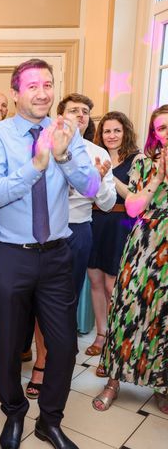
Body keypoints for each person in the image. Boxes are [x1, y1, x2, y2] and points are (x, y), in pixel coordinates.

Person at [0, 59, 99, 449]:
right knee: (10, 343)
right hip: (10, 255)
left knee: (64, 345)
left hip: (56, 257)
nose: (42, 92)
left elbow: (95, 187)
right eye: (32, 85)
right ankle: (14, 413)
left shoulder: (69, 132)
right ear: (16, 93)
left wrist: (64, 156)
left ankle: (50, 420)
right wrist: (36, 165)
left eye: (48, 84)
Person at [24, 94, 117, 401]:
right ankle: (41, 361)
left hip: (78, 230)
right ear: (59, 116)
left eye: (86, 112)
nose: (81, 115)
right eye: (74, 110)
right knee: (40, 300)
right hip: (45, 231)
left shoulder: (96, 152)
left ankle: (59, 364)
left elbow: (107, 202)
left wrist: (99, 181)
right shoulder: (42, 145)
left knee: (65, 302)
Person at [92, 105, 168, 415]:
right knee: (126, 308)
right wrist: (159, 175)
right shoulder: (144, 163)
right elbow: (134, 207)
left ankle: (161, 384)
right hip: (145, 243)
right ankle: (113, 381)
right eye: (161, 128)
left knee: (162, 315)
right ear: (154, 133)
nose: (166, 133)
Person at [87, 111, 138, 366]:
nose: (112, 135)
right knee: (95, 282)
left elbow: (134, 197)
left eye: (117, 130)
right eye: (107, 131)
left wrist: (108, 176)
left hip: (120, 224)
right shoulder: (94, 155)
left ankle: (116, 340)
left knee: (112, 286)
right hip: (94, 222)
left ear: (125, 132)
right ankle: (100, 334)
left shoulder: (136, 159)